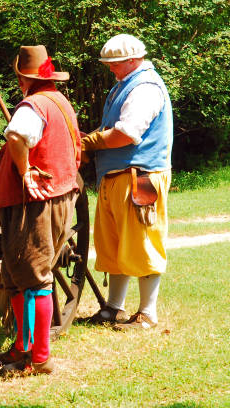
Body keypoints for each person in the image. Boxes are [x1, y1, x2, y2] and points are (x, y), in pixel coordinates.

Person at [0, 45, 81, 374]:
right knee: (16, 275)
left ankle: (40, 359)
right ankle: (23, 346)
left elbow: (16, 135)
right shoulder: (59, 101)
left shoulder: (34, 105)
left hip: (35, 202)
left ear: (23, 78)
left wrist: (24, 171)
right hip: (54, 195)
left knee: (35, 277)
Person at [81, 34, 173, 330]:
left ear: (132, 60)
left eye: (115, 63)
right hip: (118, 177)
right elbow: (111, 128)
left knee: (142, 244)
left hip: (140, 178)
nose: (110, 69)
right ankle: (113, 308)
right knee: (114, 244)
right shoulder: (125, 85)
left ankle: (147, 314)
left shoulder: (145, 88)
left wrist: (90, 143)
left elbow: (126, 134)